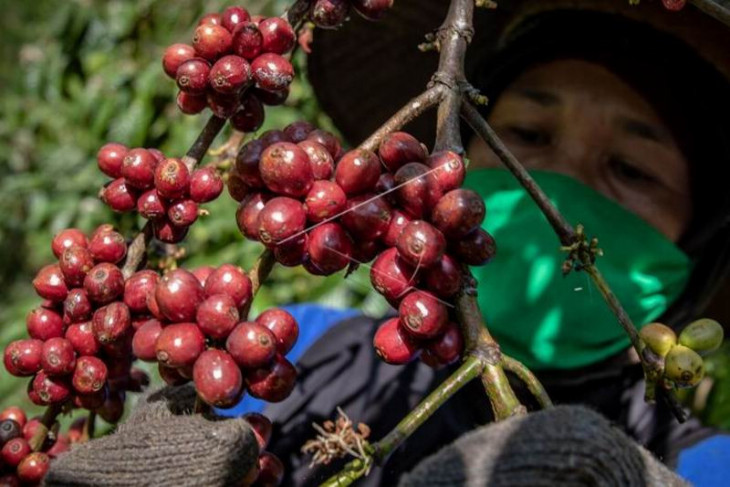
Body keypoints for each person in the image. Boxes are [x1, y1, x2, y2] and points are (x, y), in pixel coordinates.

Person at [243, 1, 730, 486]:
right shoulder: (301, 353)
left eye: (630, 170)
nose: (552, 189)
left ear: (702, 238)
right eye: (527, 134)